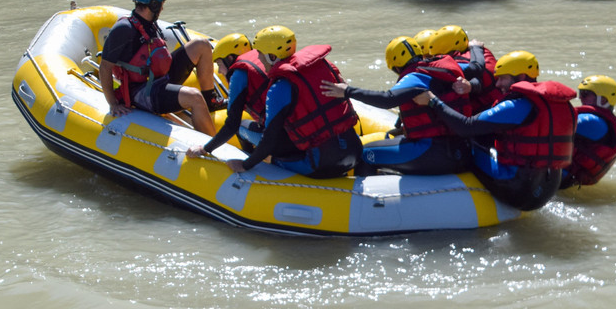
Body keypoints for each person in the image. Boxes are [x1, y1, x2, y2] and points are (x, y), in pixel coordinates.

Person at [413, 50, 576, 211]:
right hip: (547, 190)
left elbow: (465, 127)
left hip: (518, 191)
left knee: (462, 143)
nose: (498, 84)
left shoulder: (517, 105)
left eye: (503, 78)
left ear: (520, 77)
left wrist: (433, 102)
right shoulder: (558, 105)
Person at [320, 36, 470, 175]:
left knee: (364, 154)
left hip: (433, 152)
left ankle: (367, 202)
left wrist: (347, 91)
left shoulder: (415, 77)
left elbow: (387, 99)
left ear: (396, 67)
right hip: (459, 149)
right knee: (387, 143)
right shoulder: (444, 66)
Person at [225, 26, 361, 178]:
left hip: (319, 165)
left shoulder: (280, 87)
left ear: (271, 56)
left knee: (276, 158)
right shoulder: (323, 66)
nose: (259, 59)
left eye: (260, 54)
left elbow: (269, 140)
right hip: (355, 153)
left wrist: (245, 165)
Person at [98, 0, 222, 135]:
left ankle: (210, 102)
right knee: (194, 97)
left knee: (201, 45)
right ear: (153, 4)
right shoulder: (124, 29)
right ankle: (212, 147)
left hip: (160, 79)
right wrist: (113, 104)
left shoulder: (150, 23)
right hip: (143, 92)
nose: (163, 8)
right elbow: (105, 67)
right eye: (161, 3)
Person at [187, 33, 269, 158]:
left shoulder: (238, 76)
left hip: (278, 141)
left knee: (239, 127)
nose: (219, 71)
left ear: (230, 59)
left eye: (219, 65)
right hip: (295, 135)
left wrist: (205, 149)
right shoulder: (264, 63)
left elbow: (232, 125)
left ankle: (250, 160)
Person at [561, 75, 616, 189]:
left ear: (603, 100)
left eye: (585, 94)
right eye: (580, 93)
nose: (580, 97)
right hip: (567, 179)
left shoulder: (593, 122)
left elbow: (551, 123)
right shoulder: (601, 121)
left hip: (558, 178)